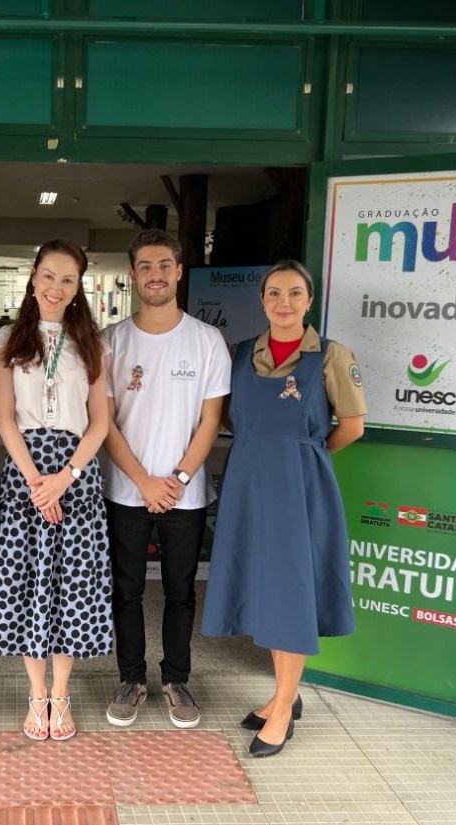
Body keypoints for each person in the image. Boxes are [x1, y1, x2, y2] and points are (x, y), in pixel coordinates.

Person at [201, 259, 366, 758]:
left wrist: (304, 456)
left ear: (309, 300)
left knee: (290, 595)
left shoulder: (332, 356)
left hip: (299, 490)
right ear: (262, 300)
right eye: (274, 293)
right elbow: (223, 417)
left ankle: (283, 710)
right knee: (264, 589)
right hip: (248, 485)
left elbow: (352, 426)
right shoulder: (238, 354)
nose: (284, 302)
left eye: (295, 293)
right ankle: (283, 696)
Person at [102, 229, 231, 729]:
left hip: (186, 493)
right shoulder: (110, 341)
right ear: (133, 275)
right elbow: (104, 423)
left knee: (181, 591)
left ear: (179, 271)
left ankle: (177, 679)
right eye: (145, 266)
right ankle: (131, 679)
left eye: (163, 265)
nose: (155, 275)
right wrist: (144, 482)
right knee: (126, 590)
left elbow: (211, 421)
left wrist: (175, 479)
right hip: (126, 491)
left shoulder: (206, 341)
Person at [0, 239, 111, 742]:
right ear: (33, 277)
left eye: (67, 279)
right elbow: (4, 419)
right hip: (26, 475)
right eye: (48, 276)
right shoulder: (8, 339)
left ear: (78, 288)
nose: (55, 287)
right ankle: (35, 695)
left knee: (71, 588)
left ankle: (62, 695)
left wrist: (66, 477)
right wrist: (37, 482)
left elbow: (100, 423)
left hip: (76, 476)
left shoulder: (93, 343)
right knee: (27, 585)